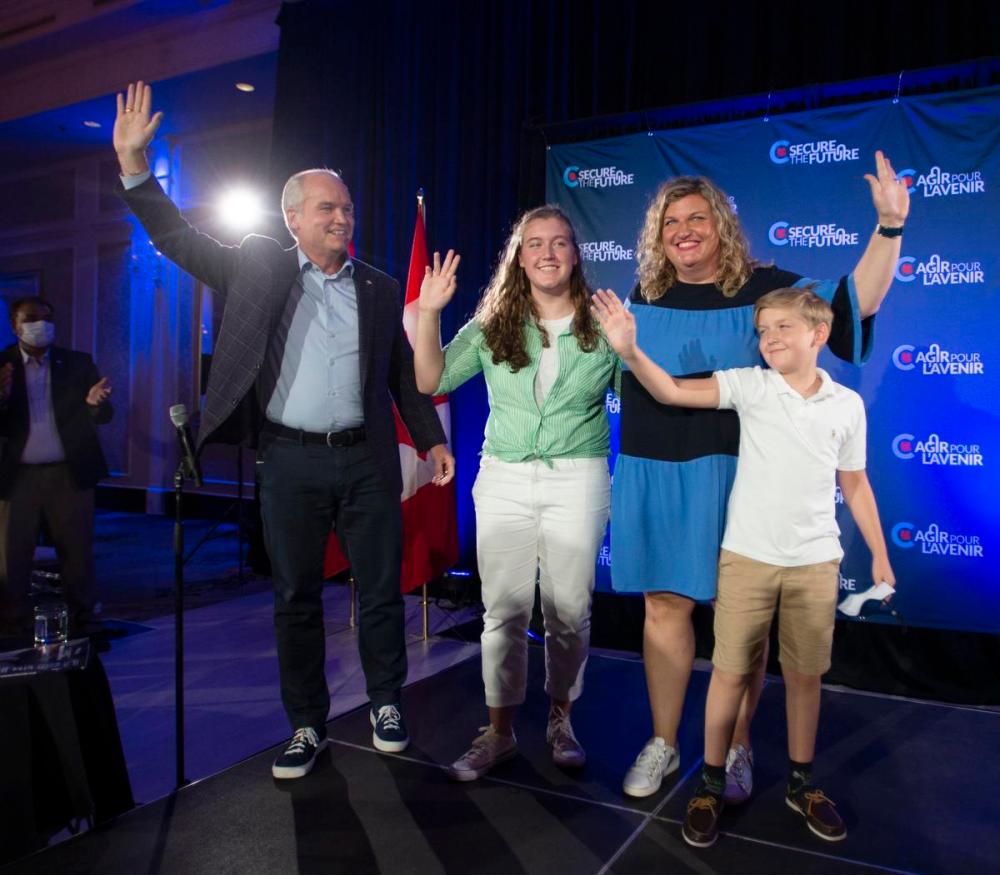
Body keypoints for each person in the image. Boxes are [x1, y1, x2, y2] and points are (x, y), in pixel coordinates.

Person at [112, 81, 454, 779]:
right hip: (289, 461)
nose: (343, 215)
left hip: (365, 460)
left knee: (380, 588)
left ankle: (387, 702)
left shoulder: (381, 287)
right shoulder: (257, 265)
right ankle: (306, 722)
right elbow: (175, 238)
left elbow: (399, 375)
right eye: (328, 207)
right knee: (294, 594)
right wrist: (135, 170)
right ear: (292, 217)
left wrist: (431, 438)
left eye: (347, 206)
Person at [613, 156, 909, 801]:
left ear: (721, 224)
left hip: (737, 478)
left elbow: (852, 304)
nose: (684, 231)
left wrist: (888, 228)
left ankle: (736, 750)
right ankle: (664, 743)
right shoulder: (643, 296)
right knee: (663, 607)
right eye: (671, 222)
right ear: (657, 235)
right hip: (653, 470)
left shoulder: (767, 285)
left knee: (738, 627)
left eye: (697, 218)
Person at [594, 285, 895, 846]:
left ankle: (802, 783)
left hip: (815, 563)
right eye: (763, 331)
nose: (769, 338)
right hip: (747, 559)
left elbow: (854, 482)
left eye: (782, 327)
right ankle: (709, 782)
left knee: (806, 676)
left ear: (819, 334)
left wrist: (879, 552)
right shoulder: (750, 386)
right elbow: (671, 391)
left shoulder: (847, 406)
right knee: (729, 671)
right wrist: (631, 352)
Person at [413, 206, 617, 780]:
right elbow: (430, 380)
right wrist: (429, 312)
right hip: (502, 475)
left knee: (570, 611)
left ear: (575, 254)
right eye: (534, 244)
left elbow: (645, 389)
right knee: (502, 611)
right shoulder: (493, 322)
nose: (547, 253)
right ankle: (498, 732)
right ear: (519, 257)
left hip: (578, 474)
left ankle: (560, 717)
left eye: (559, 243)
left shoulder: (603, 322)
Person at [0, 297, 113, 635]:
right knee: (12, 557)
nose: (41, 325)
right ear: (15, 325)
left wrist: (95, 404)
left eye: (47, 318)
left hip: (68, 473)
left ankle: (86, 623)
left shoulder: (76, 363)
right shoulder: (2, 365)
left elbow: (105, 415)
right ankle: (12, 628)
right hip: (16, 477)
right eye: (31, 318)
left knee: (77, 554)